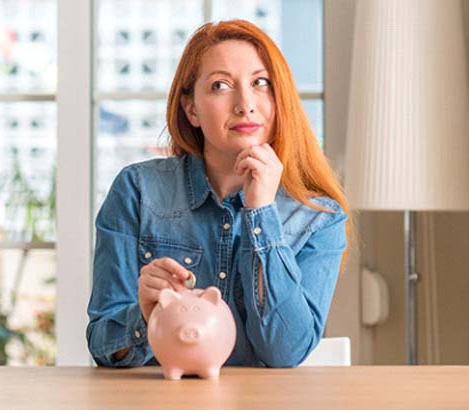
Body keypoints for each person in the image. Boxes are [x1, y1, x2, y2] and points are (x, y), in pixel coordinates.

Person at [86, 19, 353, 368]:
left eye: (261, 83)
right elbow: (103, 345)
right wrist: (145, 316)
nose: (245, 104)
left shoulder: (318, 216)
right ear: (191, 109)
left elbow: (285, 353)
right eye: (220, 86)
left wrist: (261, 214)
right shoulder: (137, 191)